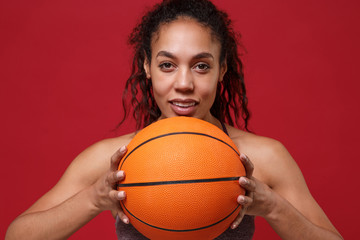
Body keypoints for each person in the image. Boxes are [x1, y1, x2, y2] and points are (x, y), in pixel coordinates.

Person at [6, 0, 343, 239]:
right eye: (167, 65)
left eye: (201, 65)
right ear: (147, 67)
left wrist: (273, 208)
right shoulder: (115, 161)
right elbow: (18, 234)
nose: (184, 83)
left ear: (222, 70)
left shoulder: (264, 157)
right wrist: (94, 199)